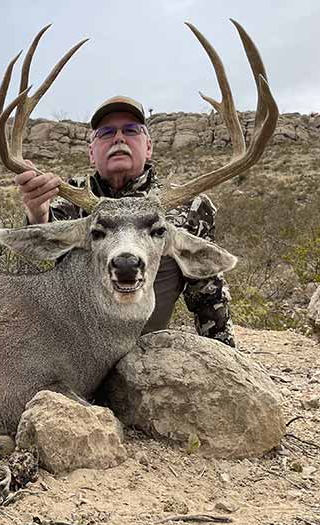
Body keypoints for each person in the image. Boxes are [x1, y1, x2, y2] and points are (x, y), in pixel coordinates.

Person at [14, 96, 235, 347]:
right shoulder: (68, 197)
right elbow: (40, 261)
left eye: (131, 130)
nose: (119, 138)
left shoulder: (190, 207)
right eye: (106, 133)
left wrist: (225, 356)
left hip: (144, 351)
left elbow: (207, 293)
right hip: (74, 345)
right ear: (91, 153)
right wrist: (38, 213)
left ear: (148, 147)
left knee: (165, 243)